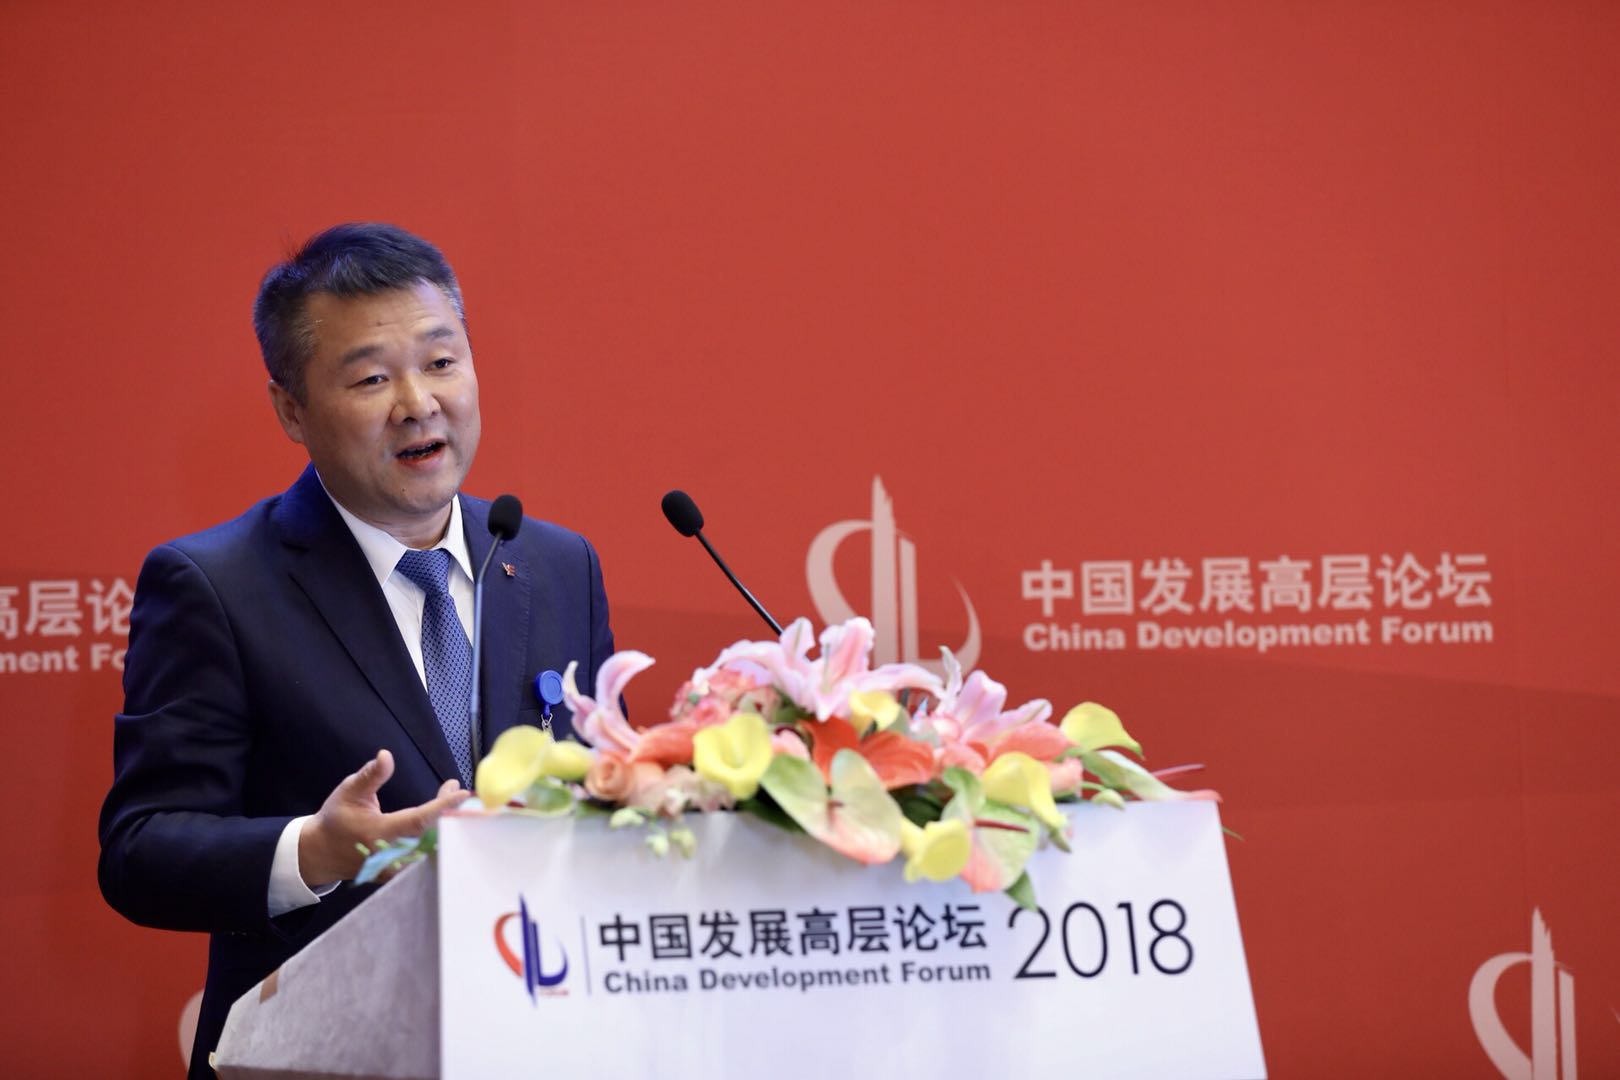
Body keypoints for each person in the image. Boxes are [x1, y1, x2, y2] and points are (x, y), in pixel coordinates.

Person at [97, 223, 616, 1078]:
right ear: (291, 410)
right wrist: (317, 850)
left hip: (540, 1039)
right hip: (321, 1057)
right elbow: (141, 852)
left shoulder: (558, 565)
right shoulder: (216, 585)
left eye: (441, 362)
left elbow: (599, 793)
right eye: (372, 378)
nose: (418, 403)